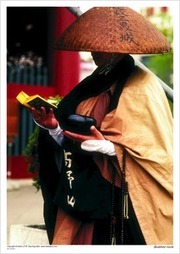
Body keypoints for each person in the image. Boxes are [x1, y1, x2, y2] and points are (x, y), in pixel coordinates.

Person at [30, 7, 173, 245]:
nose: (93, 51)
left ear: (118, 49)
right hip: (89, 195)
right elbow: (71, 140)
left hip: (127, 203)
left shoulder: (143, 85)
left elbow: (156, 151)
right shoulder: (96, 81)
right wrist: (53, 127)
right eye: (91, 45)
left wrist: (108, 147)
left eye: (99, 47)